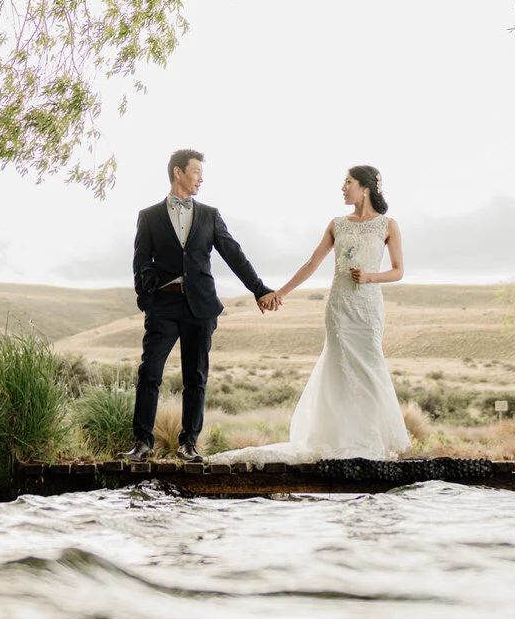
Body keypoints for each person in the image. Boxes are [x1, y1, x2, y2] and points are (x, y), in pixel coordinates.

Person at [210, 165, 410, 463]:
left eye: (348, 182)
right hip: (340, 307)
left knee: (370, 367)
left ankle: (370, 439)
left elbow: (398, 271)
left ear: (365, 187)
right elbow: (312, 263)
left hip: (368, 308)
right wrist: (280, 293)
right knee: (340, 369)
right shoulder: (337, 224)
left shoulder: (388, 225)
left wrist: (370, 277)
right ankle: (339, 439)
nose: (343, 188)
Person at [124, 149, 279, 462]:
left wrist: (259, 289)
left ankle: (188, 444)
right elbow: (140, 260)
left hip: (201, 307)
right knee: (149, 371)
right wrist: (147, 300)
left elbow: (234, 254)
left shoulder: (209, 215)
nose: (201, 178)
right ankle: (142, 443)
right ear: (178, 173)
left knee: (195, 377)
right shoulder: (149, 216)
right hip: (164, 306)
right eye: (196, 171)